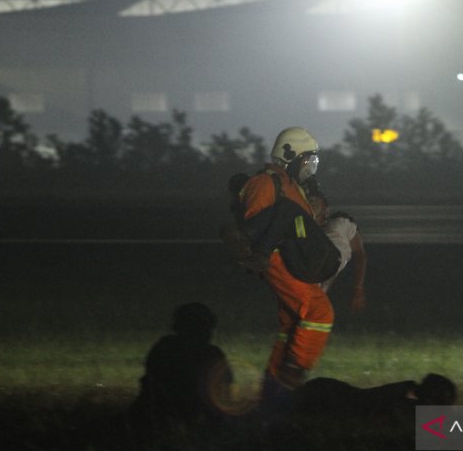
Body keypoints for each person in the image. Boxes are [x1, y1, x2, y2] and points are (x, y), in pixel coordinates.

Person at [238, 127, 333, 396]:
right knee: (318, 312)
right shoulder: (266, 182)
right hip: (278, 258)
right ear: (289, 155)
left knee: (292, 322)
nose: (310, 170)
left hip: (292, 257)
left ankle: (272, 384)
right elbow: (255, 223)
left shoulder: (291, 186)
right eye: (307, 162)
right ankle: (292, 377)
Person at [130, 303, 233, 445]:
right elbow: (225, 390)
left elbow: (150, 375)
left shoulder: (166, 346)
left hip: (162, 406)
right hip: (179, 406)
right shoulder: (212, 353)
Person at [308, 190, 367, 312]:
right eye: (309, 201)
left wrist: (358, 288)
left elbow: (360, 255)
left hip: (330, 263)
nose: (312, 203)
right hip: (310, 271)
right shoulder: (302, 228)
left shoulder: (339, 222)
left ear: (325, 207)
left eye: (315, 200)